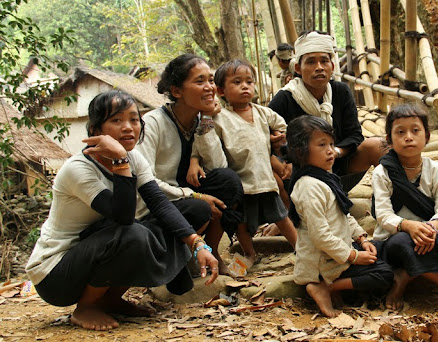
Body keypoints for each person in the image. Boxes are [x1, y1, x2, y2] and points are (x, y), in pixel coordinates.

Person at [25, 91, 219, 331]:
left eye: (134, 119)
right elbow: (123, 215)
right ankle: (85, 307)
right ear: (96, 130)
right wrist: (120, 160)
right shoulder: (78, 169)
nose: (128, 127)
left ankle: (110, 299)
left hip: (100, 245)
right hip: (57, 274)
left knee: (195, 210)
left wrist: (198, 243)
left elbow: (158, 203)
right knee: (133, 233)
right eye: (116, 121)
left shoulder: (133, 157)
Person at [137, 54, 244, 275]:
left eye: (211, 80)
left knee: (229, 181)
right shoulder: (152, 123)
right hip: (155, 205)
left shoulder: (200, 120)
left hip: (185, 196)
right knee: (200, 208)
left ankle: (212, 252)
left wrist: (206, 120)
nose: (209, 88)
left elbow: (218, 166)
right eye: (199, 81)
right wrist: (193, 195)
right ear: (177, 91)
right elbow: (145, 181)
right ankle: (184, 256)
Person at [371, 104, 438, 316]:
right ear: (389, 140)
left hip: (430, 235)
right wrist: (408, 226)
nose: (408, 137)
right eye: (400, 132)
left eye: (415, 130)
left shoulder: (435, 170)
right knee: (402, 243)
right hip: (397, 237)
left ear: (426, 137)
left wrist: (432, 227)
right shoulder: (383, 172)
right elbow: (383, 215)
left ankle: (405, 276)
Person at [287, 115, 393, 317]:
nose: (331, 150)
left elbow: (343, 214)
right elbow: (320, 236)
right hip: (324, 262)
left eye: (331, 144)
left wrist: (361, 240)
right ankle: (325, 287)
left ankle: (336, 285)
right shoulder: (309, 187)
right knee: (384, 274)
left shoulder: (324, 178)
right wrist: (354, 256)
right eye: (321, 145)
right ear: (301, 151)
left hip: (338, 251)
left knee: (383, 249)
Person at [269, 31, 387, 192]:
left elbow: (355, 136)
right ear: (298, 68)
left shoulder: (341, 91)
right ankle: (290, 213)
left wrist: (333, 152)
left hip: (338, 168)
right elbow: (263, 140)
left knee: (378, 146)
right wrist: (282, 160)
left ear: (332, 66)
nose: (319, 67)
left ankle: (395, 200)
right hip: (300, 177)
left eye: (324, 61)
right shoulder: (284, 98)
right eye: (310, 62)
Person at [211, 59, 298, 264]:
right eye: (237, 82)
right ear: (221, 91)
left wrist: (278, 135)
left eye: (249, 82)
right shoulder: (220, 118)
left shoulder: (262, 112)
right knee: (242, 224)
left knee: (281, 217)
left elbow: (284, 126)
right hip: (241, 182)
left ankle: (300, 248)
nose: (245, 86)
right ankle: (250, 253)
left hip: (265, 180)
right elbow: (208, 145)